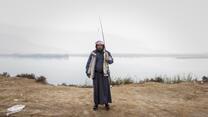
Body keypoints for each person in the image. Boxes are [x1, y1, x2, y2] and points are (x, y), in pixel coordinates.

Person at [86, 40, 113, 111]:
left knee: (106, 90)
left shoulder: (107, 53)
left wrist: (108, 59)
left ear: (103, 46)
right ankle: (96, 104)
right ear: (96, 46)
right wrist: (87, 72)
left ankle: (106, 103)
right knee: (96, 90)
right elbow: (88, 63)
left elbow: (111, 61)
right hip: (96, 75)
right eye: (98, 45)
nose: (99, 46)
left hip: (105, 74)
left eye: (101, 45)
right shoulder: (93, 53)